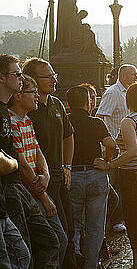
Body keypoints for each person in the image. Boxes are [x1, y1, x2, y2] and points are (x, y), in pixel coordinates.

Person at [0, 54, 57, 267]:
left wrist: (47, 174)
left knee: (48, 242)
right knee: (21, 253)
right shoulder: (5, 114)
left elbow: (35, 148)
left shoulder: (8, 114)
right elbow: (13, 159)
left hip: (18, 188)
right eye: (16, 74)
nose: (20, 78)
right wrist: (14, 162)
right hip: (11, 188)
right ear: (2, 78)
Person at [94, 83, 137, 269]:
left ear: (129, 99)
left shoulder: (128, 121)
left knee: (135, 217)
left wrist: (109, 165)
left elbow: (132, 152)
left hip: (133, 174)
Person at [22, 57, 76, 269]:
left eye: (55, 75)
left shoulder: (56, 103)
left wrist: (67, 166)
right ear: (33, 80)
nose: (54, 79)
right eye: (48, 76)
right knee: (55, 235)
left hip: (59, 176)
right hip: (39, 182)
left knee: (69, 229)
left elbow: (68, 135)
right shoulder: (28, 109)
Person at [9, 74, 68, 264]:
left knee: (60, 239)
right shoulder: (11, 122)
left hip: (40, 187)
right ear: (17, 95)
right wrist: (43, 195)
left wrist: (46, 174)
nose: (37, 96)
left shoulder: (27, 120)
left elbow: (36, 150)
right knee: (48, 243)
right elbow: (22, 164)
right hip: (29, 192)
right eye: (32, 92)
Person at [66, 85, 116, 269]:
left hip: (73, 175)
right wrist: (106, 160)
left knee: (74, 223)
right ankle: (92, 264)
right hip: (95, 174)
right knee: (95, 225)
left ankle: (75, 258)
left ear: (69, 104)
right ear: (88, 102)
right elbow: (111, 144)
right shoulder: (95, 123)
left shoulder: (65, 120)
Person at [95, 64, 137, 233]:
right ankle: (116, 220)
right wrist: (108, 140)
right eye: (133, 74)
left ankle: (124, 216)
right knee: (117, 184)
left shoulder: (130, 93)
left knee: (126, 182)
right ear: (124, 76)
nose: (136, 77)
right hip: (116, 146)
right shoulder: (113, 93)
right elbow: (100, 116)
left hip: (128, 145)